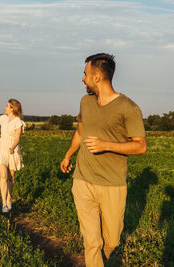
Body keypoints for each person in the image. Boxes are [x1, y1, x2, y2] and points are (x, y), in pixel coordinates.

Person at [60, 53, 146, 266]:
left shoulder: (129, 107)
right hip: (83, 180)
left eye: (85, 74)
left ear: (97, 77)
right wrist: (68, 155)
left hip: (113, 184)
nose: (83, 79)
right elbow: (81, 131)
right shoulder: (85, 102)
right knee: (93, 241)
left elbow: (140, 146)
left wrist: (106, 145)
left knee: (112, 241)